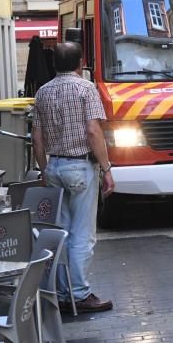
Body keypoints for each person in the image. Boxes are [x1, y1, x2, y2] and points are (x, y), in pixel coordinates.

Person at [31, 41, 115, 313]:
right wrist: (106, 167)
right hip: (79, 167)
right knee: (82, 235)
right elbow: (93, 131)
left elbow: (37, 138)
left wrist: (44, 169)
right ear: (80, 63)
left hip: (54, 167)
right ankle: (79, 293)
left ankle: (62, 291)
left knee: (62, 233)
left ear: (54, 64)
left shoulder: (42, 92)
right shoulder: (85, 89)